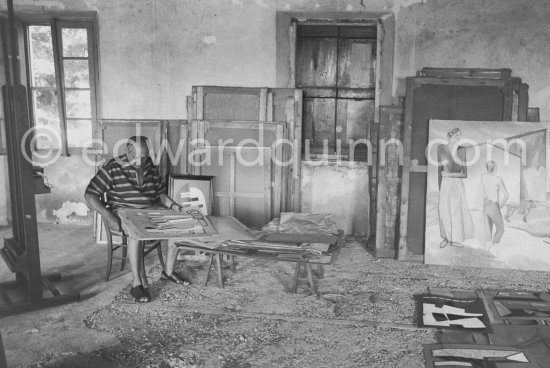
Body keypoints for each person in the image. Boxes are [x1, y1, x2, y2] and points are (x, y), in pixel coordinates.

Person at [85, 136, 190, 303]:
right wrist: (108, 215)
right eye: (136, 157)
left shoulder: (149, 165)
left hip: (151, 212)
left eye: (144, 157)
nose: (141, 162)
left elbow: (161, 195)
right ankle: (137, 284)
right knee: (136, 234)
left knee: (178, 227)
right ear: (127, 150)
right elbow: (90, 195)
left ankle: (168, 272)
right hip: (125, 212)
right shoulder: (113, 167)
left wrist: (175, 207)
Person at [437, 128, 474, 248]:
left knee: (456, 211)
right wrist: (440, 185)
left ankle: (455, 239)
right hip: (445, 184)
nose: (458, 137)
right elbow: (439, 170)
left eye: (459, 135)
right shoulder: (440, 148)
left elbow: (464, 173)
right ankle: (446, 238)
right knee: (444, 210)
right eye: (456, 135)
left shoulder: (462, 149)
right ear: (449, 135)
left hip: (457, 184)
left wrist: (448, 175)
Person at [481, 161, 509, 252]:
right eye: (496, 167)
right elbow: (506, 195)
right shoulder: (498, 179)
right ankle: (492, 249)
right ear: (494, 168)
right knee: (500, 229)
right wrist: (500, 205)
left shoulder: (483, 177)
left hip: (485, 204)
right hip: (493, 205)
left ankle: (486, 250)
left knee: (488, 231)